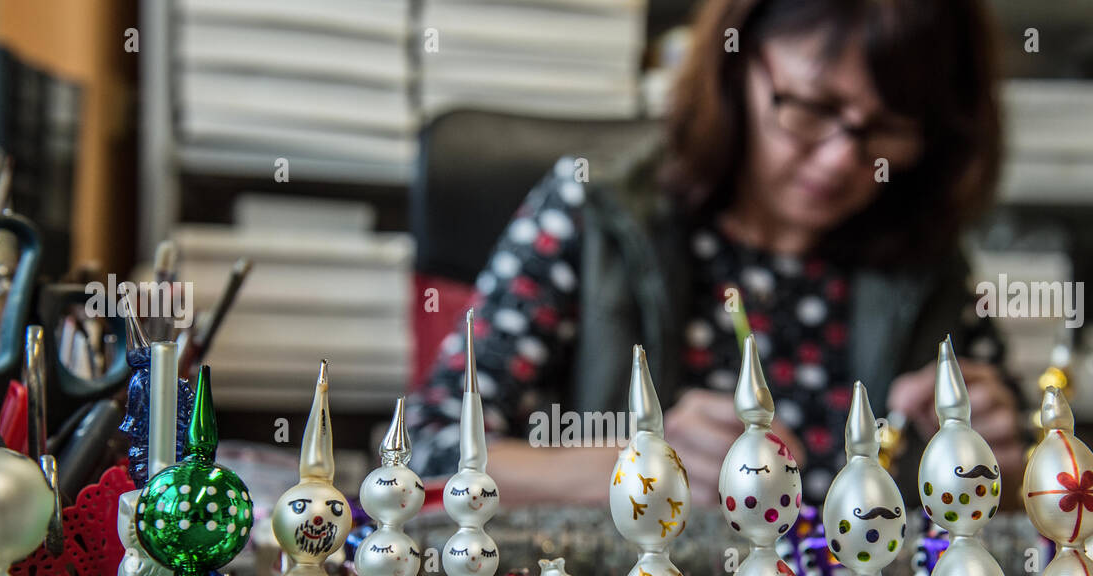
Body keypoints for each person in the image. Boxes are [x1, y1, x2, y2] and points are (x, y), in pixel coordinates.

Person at [408, 0, 1023, 509]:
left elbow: (1013, 484)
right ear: (736, 64)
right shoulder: (594, 215)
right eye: (813, 107)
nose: (840, 160)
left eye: (887, 127)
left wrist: (1004, 472)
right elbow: (425, 455)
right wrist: (635, 473)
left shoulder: (926, 263)